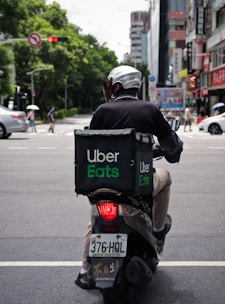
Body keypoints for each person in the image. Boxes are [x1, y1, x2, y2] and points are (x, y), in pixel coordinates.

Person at [75, 65, 183, 289]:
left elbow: (90, 144)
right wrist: (171, 149)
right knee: (166, 177)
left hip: (104, 182)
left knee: (94, 219)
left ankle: (85, 270)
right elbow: (171, 146)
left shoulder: (103, 110)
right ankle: (158, 229)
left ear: (116, 86)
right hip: (139, 183)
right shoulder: (149, 109)